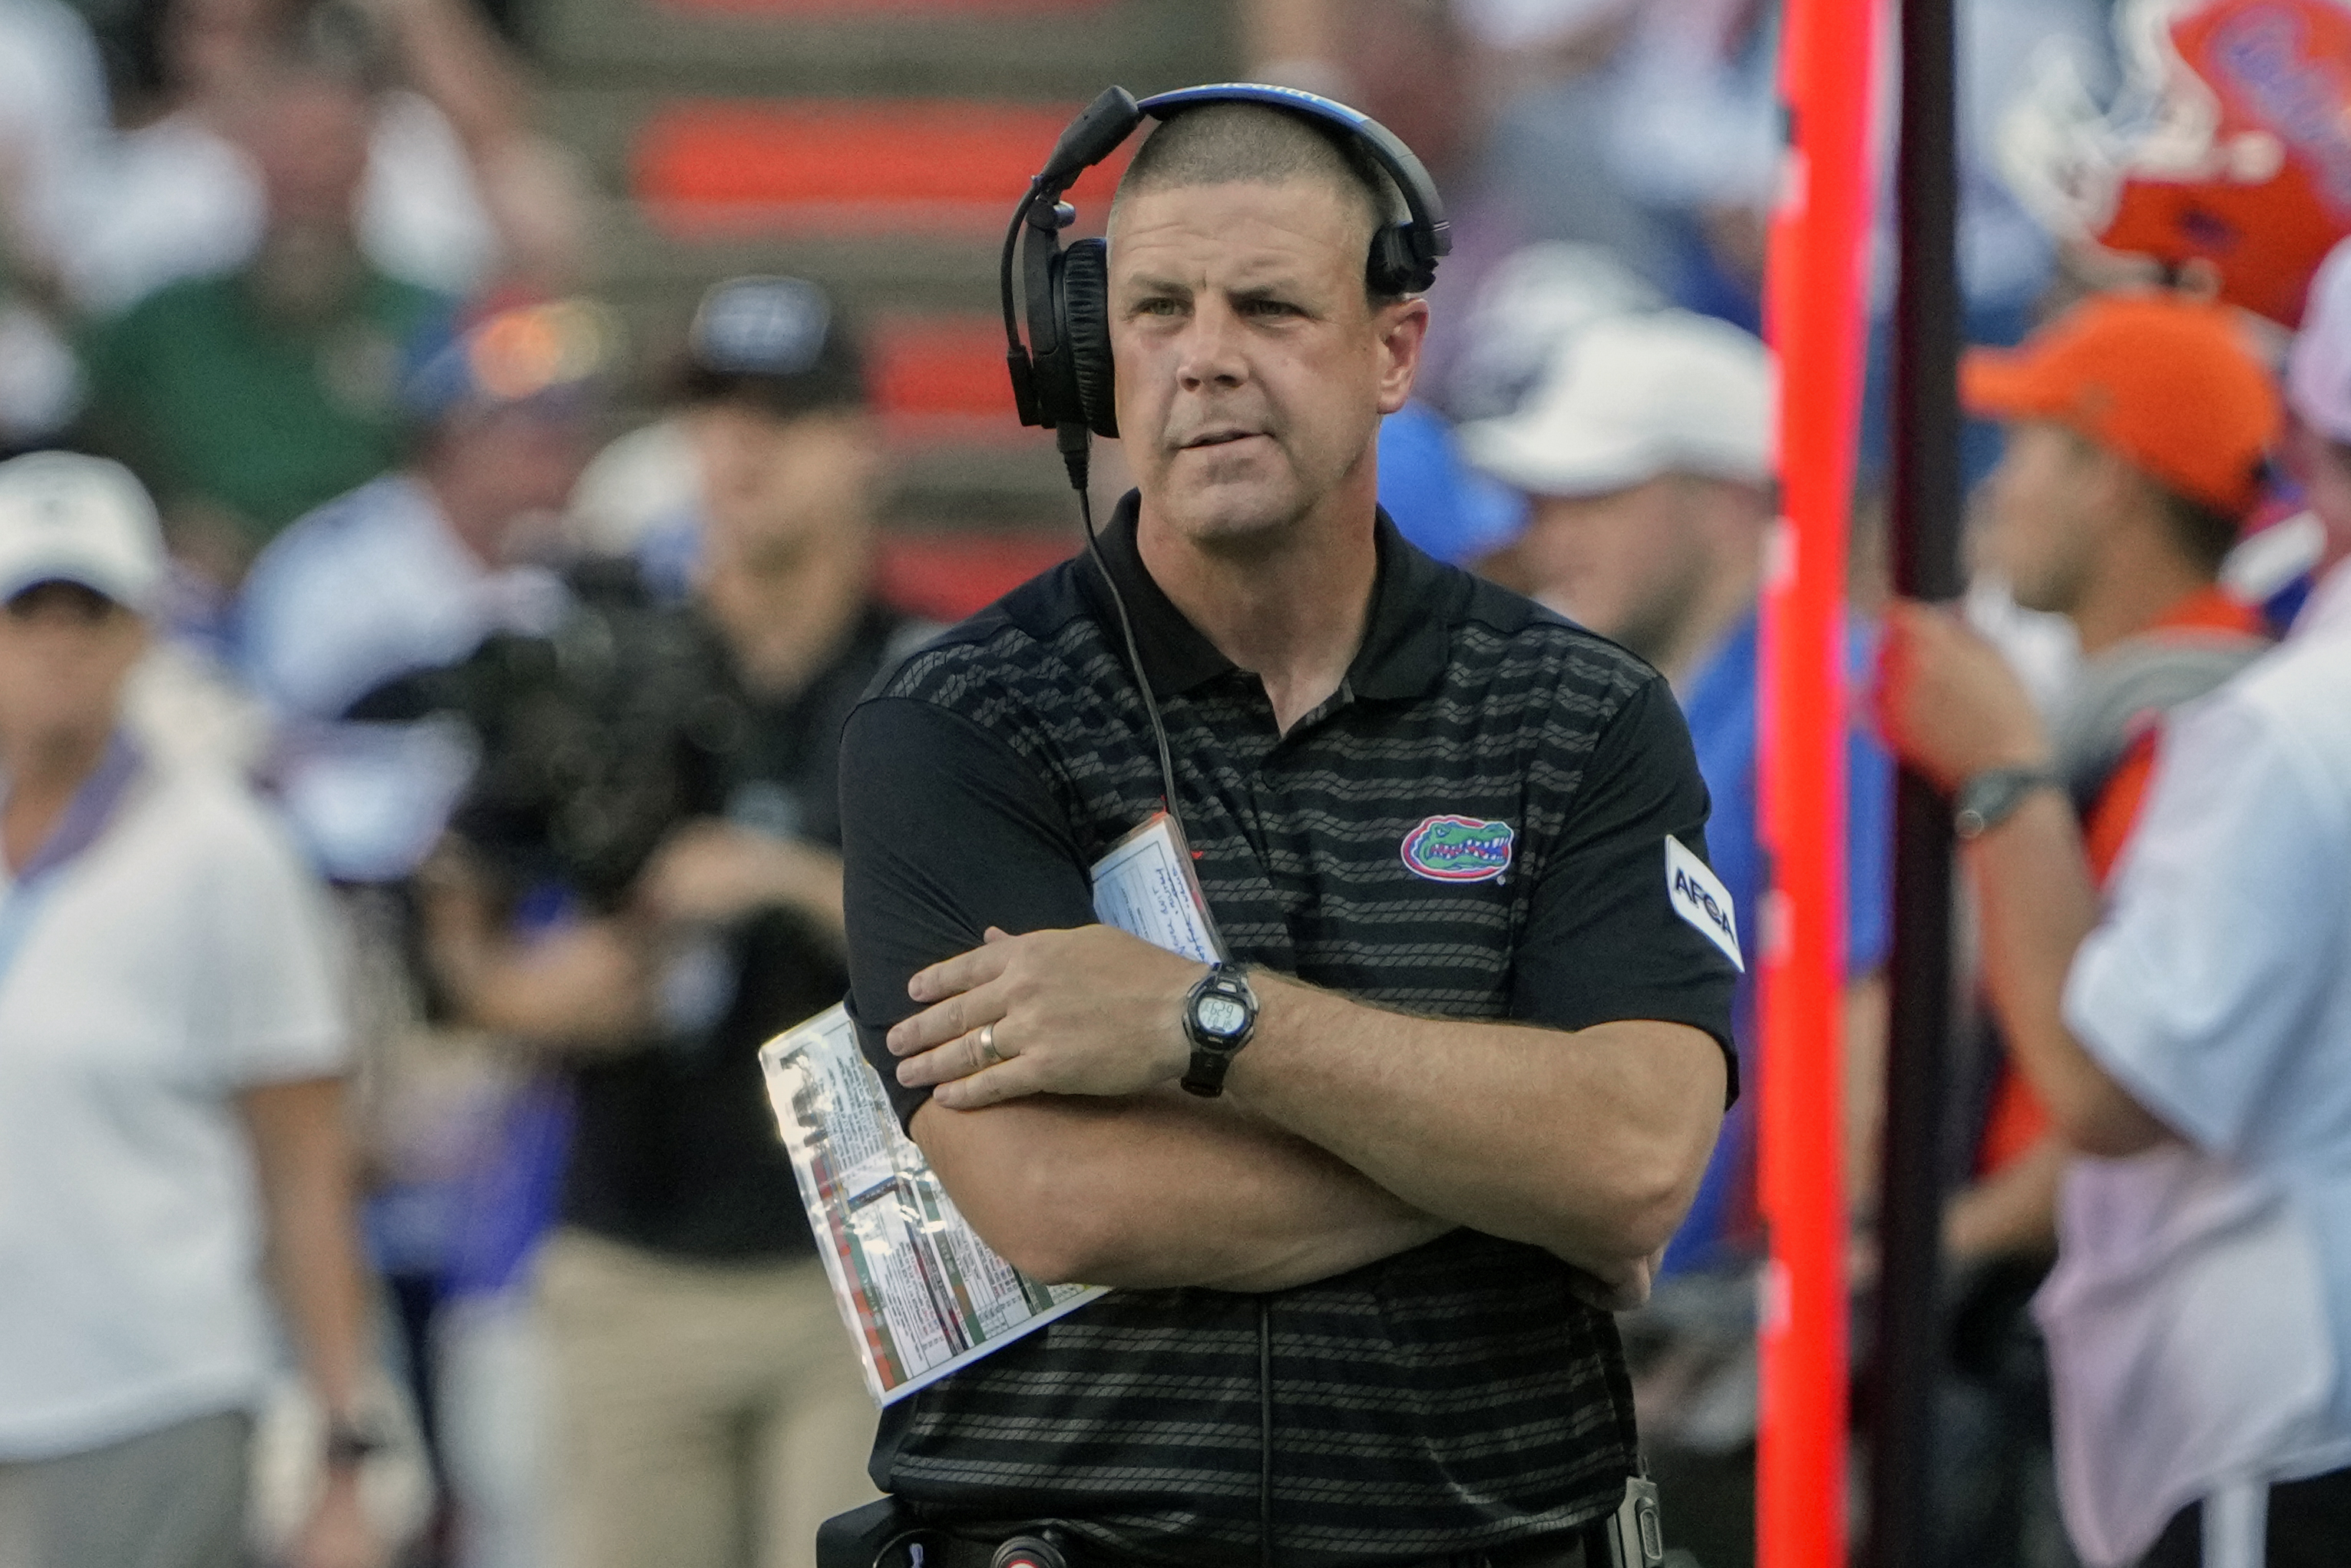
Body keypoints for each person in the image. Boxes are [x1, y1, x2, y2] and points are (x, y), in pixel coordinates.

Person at [835, 98, 1740, 1565]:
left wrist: (1209, 1020)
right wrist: (1517, 1171)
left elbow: (1637, 1161)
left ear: (1393, 348)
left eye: (1267, 306)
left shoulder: (1583, 712)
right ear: (1089, 352)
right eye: (1154, 309)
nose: (1204, 356)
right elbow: (1057, 1197)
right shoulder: (957, 719)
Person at [417, 276, 908, 1568]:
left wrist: (785, 879)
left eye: (782, 413)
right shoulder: (609, 656)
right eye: (714, 413)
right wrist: (519, 987)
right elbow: (450, 882)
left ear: (860, 443)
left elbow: (1006, 947)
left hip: (857, 1264)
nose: (739, 447)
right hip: (629, 1248)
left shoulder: (933, 679)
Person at [1873, 243, 2351, 1568]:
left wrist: (2001, 776)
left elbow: (2108, 1089)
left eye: (2027, 442)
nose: (1992, 483)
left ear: (2109, 471)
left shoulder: (2215, 718)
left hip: (2272, 1406)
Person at [1456, 306, 1890, 1568]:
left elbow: (1862, 1012)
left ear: (1721, 503)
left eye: (1594, 490)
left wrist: (1785, 1312)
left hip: (1728, 1342)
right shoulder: (1675, 703)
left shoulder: (1820, 698)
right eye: (1543, 494)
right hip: (1636, 1314)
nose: (1549, 529)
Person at [0, 452, 382, 1568]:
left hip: (152, 1386)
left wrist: (343, 1435)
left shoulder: (227, 853)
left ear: (142, 634)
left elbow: (306, 1162)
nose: (57, 640)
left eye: (90, 609)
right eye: (27, 608)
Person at [75, 54, 448, 597]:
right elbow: (80, 445)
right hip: (192, 596)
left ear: (366, 164)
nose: (305, 176)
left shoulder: (430, 319)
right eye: (284, 153)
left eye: (326, 149)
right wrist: (159, 519)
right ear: (249, 162)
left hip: (380, 598)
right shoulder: (162, 324)